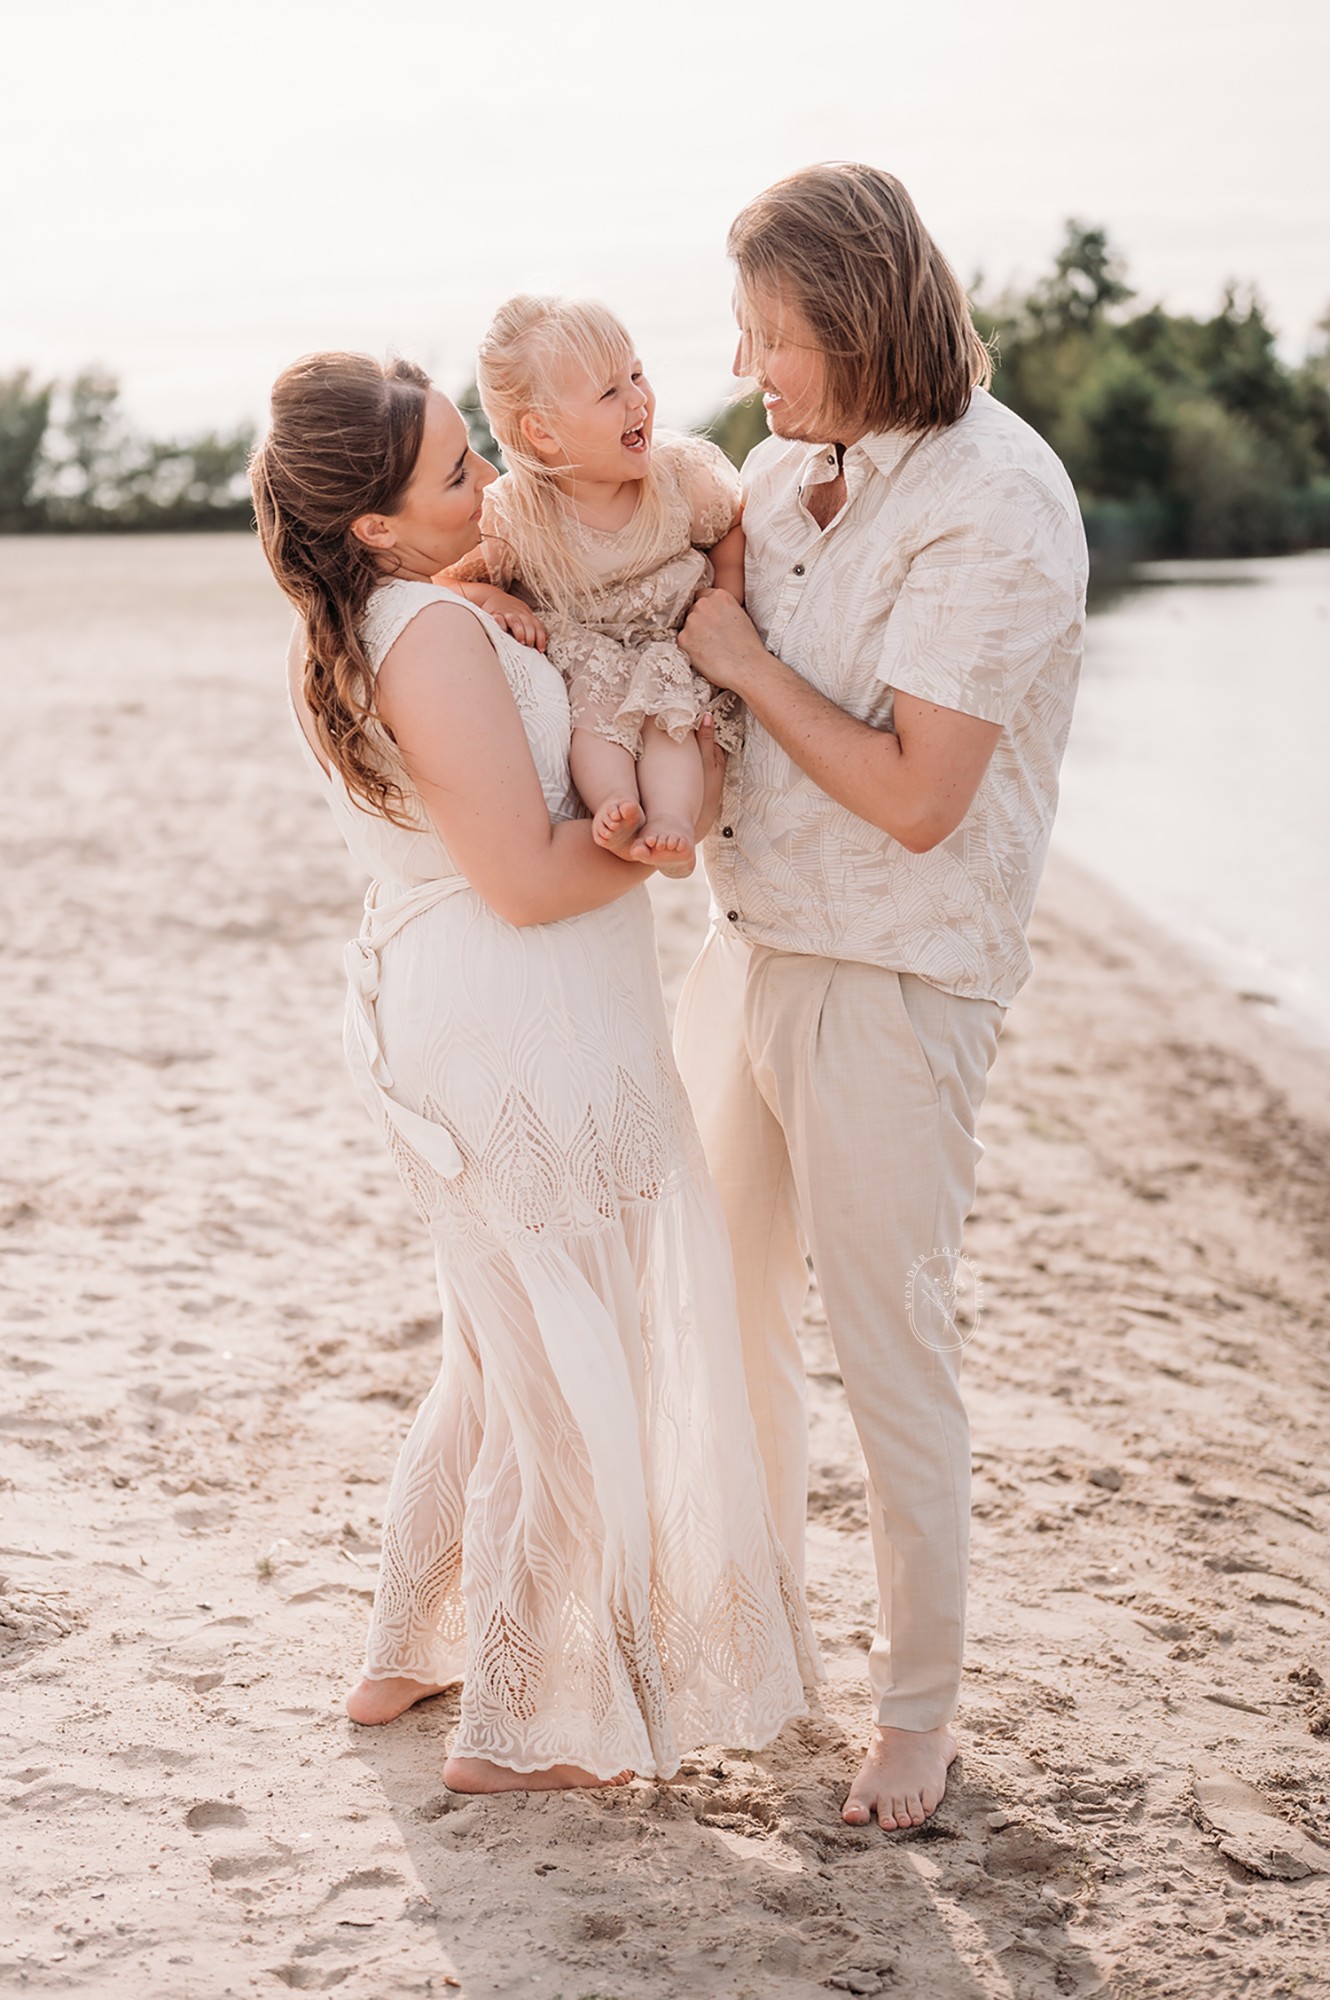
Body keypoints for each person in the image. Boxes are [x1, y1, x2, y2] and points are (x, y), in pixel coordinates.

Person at [250, 351, 819, 1794]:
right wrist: (656, 839)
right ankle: (517, 1726)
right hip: (515, 1014)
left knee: (502, 1346)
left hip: (488, 1007)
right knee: (568, 1362)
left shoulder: (403, 611)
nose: (491, 483)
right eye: (456, 473)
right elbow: (520, 877)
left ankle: (407, 1646)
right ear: (373, 526)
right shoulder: (425, 637)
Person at [675, 163, 1088, 1832]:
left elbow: (924, 797)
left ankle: (916, 1711)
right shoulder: (784, 476)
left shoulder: (1000, 500)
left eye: (771, 334)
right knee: (729, 1320)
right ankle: (755, 1639)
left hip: (901, 985)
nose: (749, 361)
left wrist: (748, 669)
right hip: (752, 944)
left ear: (849, 326)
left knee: (886, 1350)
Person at [465, 295, 746, 880]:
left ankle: (671, 820)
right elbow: (449, 582)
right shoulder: (515, 516)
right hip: (589, 665)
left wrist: (729, 593)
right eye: (609, 393)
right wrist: (496, 598)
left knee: (669, 721)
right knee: (595, 724)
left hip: (670, 650)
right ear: (541, 432)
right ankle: (617, 808)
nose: (638, 400)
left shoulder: (679, 479)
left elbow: (731, 526)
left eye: (637, 375)